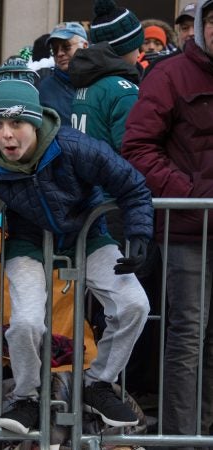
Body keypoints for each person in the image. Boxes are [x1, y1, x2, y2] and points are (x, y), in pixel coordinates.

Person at [0, 79, 152, 434]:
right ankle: (27, 396)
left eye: (16, 123)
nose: (6, 135)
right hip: (28, 243)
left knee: (135, 304)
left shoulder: (73, 146)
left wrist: (139, 234)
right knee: (24, 323)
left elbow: (131, 185)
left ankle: (98, 383)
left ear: (35, 122)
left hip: (87, 236)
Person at [121, 0, 213, 442]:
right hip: (188, 229)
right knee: (188, 338)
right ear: (200, 28)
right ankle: (182, 437)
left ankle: (205, 431)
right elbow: (138, 146)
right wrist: (192, 195)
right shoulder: (171, 74)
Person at [68, 0, 143, 153]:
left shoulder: (87, 82)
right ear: (126, 48)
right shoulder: (124, 92)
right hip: (116, 175)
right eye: (137, 45)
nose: (139, 51)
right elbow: (133, 153)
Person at [38, 22, 88, 127]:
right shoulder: (45, 89)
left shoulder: (102, 81)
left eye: (66, 47)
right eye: (55, 50)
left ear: (85, 46)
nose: (60, 54)